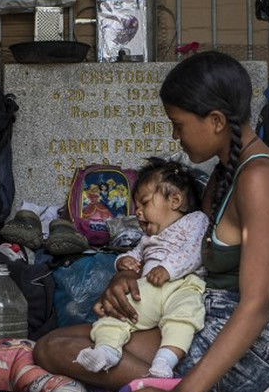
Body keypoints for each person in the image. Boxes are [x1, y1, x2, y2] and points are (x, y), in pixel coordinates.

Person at [33, 51, 269, 392]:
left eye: (178, 125)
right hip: (198, 312)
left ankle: (170, 383)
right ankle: (158, 374)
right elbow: (181, 249)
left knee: (57, 349)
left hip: (251, 349)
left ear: (214, 121)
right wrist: (128, 274)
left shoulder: (259, 179)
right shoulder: (224, 174)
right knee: (55, 343)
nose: (175, 136)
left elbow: (258, 306)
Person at [75, 157, 208, 379]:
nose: (137, 212)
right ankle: (107, 351)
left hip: (182, 286)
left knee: (184, 318)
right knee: (114, 315)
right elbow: (135, 254)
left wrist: (168, 269)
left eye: (145, 203)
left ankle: (165, 361)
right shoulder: (148, 238)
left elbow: (195, 251)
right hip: (149, 289)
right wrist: (123, 262)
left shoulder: (195, 221)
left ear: (175, 200)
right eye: (137, 207)